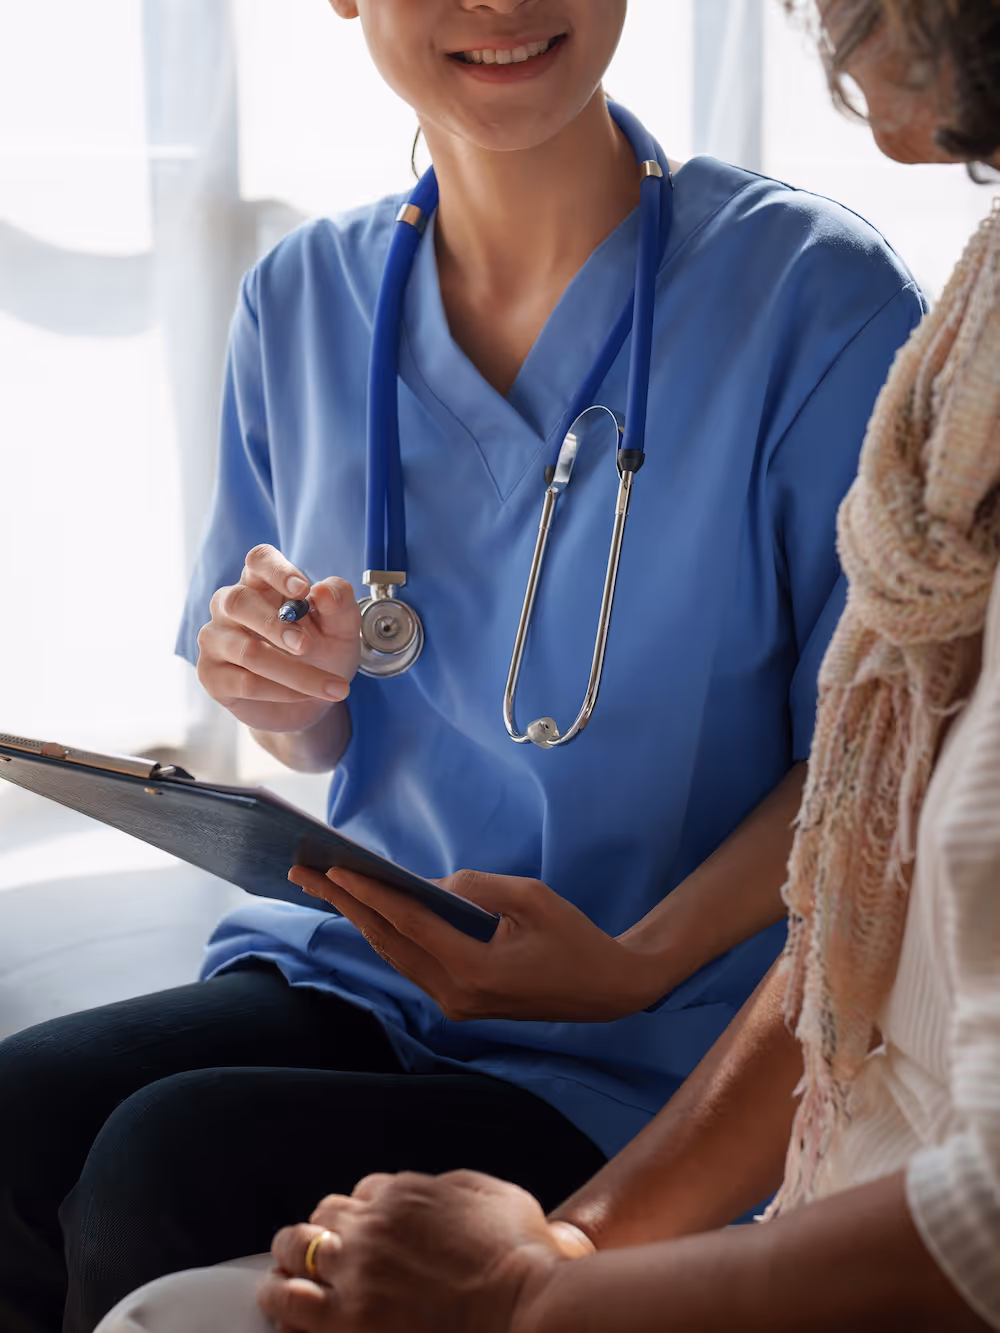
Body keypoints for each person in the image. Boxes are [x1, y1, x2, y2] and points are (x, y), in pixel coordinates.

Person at [0, 0, 925, 1330]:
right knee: (20, 1124)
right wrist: (283, 686)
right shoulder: (300, 299)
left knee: (163, 1174)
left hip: (670, 1048)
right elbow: (330, 736)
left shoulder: (815, 301)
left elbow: (886, 761)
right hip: (379, 970)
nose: (501, 5)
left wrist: (641, 961)